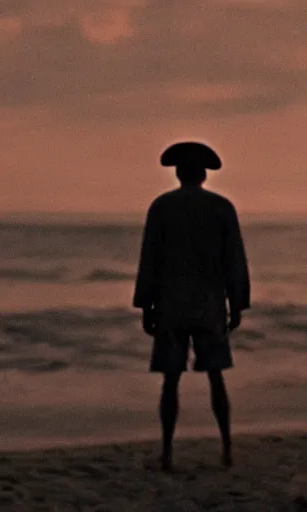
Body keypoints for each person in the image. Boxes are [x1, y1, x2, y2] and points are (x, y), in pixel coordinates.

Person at [133, 141, 250, 472]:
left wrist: (146, 306)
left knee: (171, 380)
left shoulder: (162, 207)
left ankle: (167, 452)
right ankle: (227, 448)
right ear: (203, 175)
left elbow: (150, 260)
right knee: (216, 377)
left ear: (177, 174)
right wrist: (237, 303)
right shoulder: (221, 208)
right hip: (209, 304)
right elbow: (234, 260)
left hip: (171, 305)